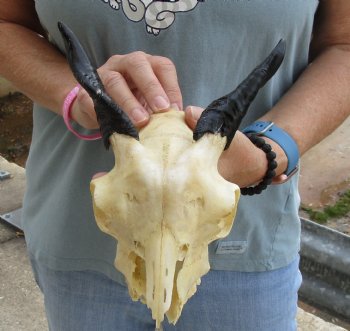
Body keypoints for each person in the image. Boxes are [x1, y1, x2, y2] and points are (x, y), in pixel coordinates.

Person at [1, 1, 349, 330]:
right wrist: (74, 95)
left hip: (245, 253)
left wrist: (269, 151)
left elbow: (343, 45)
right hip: (76, 245)